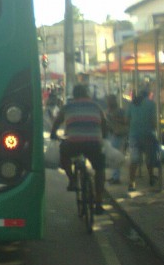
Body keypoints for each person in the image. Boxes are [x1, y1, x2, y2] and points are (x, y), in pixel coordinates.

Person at [50, 84, 108, 214]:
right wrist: (103, 137)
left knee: (63, 153)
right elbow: (104, 123)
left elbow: (57, 122)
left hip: (74, 143)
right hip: (94, 143)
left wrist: (53, 134)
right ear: (87, 93)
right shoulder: (96, 106)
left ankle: (72, 180)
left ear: (74, 95)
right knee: (99, 169)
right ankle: (98, 202)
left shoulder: (68, 106)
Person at [125, 89, 158, 191]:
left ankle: (132, 182)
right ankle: (151, 177)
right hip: (147, 133)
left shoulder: (132, 103)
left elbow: (126, 120)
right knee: (149, 156)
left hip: (133, 134)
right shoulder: (151, 104)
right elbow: (153, 121)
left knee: (134, 159)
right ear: (148, 95)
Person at [105, 94, 128, 184]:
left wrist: (115, 119)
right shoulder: (108, 111)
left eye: (109, 100)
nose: (108, 102)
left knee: (115, 156)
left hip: (119, 135)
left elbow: (126, 121)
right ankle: (115, 176)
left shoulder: (120, 111)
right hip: (113, 134)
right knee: (113, 156)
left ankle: (116, 177)